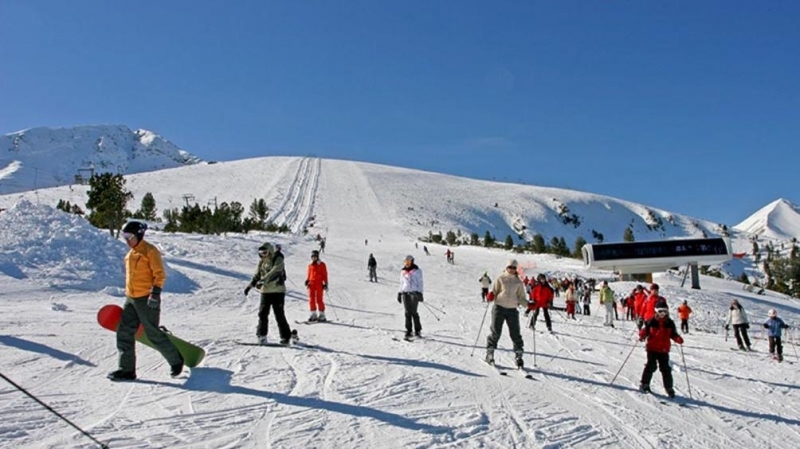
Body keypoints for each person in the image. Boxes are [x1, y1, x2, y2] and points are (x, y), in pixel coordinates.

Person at [108, 221, 183, 381]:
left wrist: (155, 294)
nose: (126, 240)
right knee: (124, 332)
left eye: (129, 236)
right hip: (131, 298)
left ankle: (176, 360)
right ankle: (127, 370)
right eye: (124, 236)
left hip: (147, 298)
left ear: (139, 235)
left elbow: (159, 274)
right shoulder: (130, 254)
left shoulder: (150, 251)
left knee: (152, 333)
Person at [244, 242, 292, 344]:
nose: (263, 255)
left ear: (270, 251)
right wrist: (250, 286)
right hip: (265, 291)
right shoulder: (261, 262)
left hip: (278, 291)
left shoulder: (278, 259)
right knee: (262, 313)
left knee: (279, 314)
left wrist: (263, 281)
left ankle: (285, 336)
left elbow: (275, 272)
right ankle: (261, 335)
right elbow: (257, 275)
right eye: (261, 253)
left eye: (265, 252)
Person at [485, 259, 529, 368]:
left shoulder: (518, 282)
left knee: (515, 334)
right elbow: (494, 292)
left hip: (512, 310)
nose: (512, 269)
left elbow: (521, 298)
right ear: (506, 267)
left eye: (514, 267)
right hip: (499, 308)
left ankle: (518, 355)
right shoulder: (500, 279)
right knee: (495, 332)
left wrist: (528, 304)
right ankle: (490, 353)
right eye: (510, 267)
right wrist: (491, 296)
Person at [638, 299, 684, 398]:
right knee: (651, 366)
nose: (662, 314)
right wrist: (642, 335)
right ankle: (645, 384)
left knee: (665, 368)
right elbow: (645, 330)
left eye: (664, 312)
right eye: (660, 311)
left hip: (663, 349)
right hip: (652, 348)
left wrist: (677, 338)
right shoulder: (651, 321)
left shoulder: (669, 323)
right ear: (656, 311)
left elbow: (673, 334)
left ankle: (669, 387)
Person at [398, 255, 424, 338]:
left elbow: (420, 283)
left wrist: (420, 293)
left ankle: (417, 330)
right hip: (405, 293)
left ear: (412, 262)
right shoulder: (403, 271)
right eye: (406, 262)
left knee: (413, 312)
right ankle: (408, 330)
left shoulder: (417, 271)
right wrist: (399, 292)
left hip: (414, 293)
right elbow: (401, 283)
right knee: (407, 312)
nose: (407, 264)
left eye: (409, 262)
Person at [305, 250, 329, 322]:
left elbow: (325, 274)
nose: (314, 258)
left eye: (315, 256)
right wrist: (307, 280)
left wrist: (325, 283)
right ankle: (313, 314)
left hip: (319, 284)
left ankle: (322, 315)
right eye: (312, 257)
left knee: (319, 299)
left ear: (317, 257)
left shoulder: (322, 265)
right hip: (311, 284)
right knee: (311, 299)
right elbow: (309, 274)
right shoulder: (310, 266)